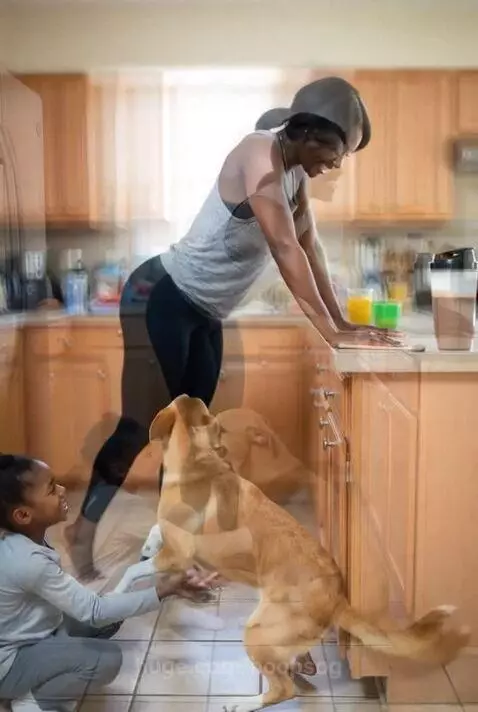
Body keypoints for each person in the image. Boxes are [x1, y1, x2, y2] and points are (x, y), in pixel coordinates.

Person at [65, 75, 399, 580]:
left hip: (204, 312)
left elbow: (310, 248)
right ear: (309, 133)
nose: (337, 164)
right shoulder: (257, 153)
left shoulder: (294, 176)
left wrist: (343, 322)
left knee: (192, 438)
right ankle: (82, 532)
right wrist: (331, 333)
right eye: (336, 151)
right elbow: (285, 247)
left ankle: (171, 549)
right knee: (140, 427)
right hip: (160, 295)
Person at [0, 455, 214, 712]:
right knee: (106, 659)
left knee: (109, 621)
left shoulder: (22, 541)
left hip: (36, 632)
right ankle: (32, 701)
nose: (63, 490)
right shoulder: (26, 560)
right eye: (52, 489)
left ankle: (45, 670)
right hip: (10, 664)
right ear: (23, 514)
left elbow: (94, 610)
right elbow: (94, 610)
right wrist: (166, 588)